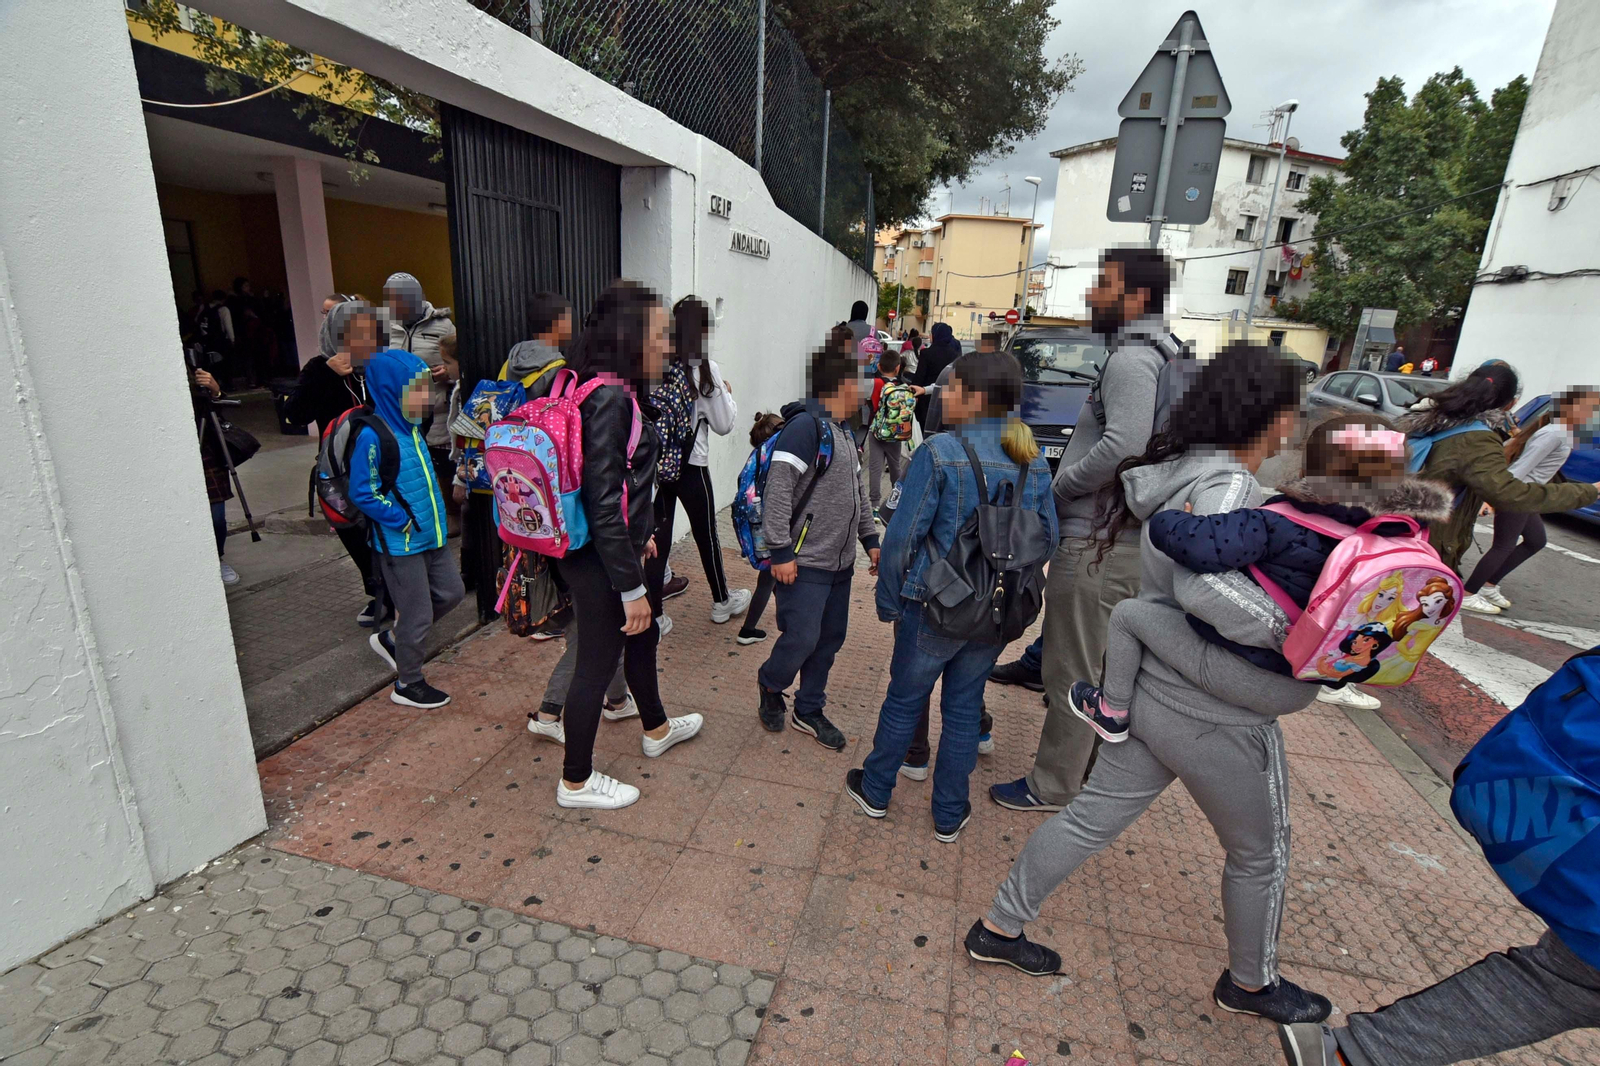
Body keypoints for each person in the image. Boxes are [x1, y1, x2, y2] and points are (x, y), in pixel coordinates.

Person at [964, 344, 1336, 1027]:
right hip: (1216, 713)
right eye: (1295, 409)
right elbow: (1204, 592)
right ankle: (1251, 984)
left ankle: (1000, 927)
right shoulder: (1228, 487)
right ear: (1268, 414)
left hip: (1156, 697)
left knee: (1087, 820)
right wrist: (1308, 640)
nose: (1297, 424)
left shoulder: (1183, 475)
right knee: (1261, 852)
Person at [1067, 412, 1452, 744]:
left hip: (1248, 672)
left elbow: (1201, 547)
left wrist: (1173, 518)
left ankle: (1111, 709)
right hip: (1314, 679)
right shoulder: (1402, 534)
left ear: (1310, 469)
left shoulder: (1277, 522)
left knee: (1129, 615)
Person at [990, 247, 1175, 814]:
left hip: (1099, 541)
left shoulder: (1133, 360)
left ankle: (1054, 785)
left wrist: (1061, 485)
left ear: (1135, 295)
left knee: (1073, 667)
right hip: (1127, 541)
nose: (1094, 294)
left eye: (1105, 284)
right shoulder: (1170, 354)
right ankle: (1087, 779)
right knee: (1104, 670)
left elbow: (1124, 445)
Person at [847, 350, 1057, 841]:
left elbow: (902, 537)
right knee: (964, 707)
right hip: (995, 609)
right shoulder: (1034, 461)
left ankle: (876, 790)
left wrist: (889, 599)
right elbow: (1049, 541)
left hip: (934, 604)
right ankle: (949, 812)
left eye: (952, 388)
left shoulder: (941, 451)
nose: (945, 395)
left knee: (904, 699)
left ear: (973, 397)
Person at [554, 280, 703, 810]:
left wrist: (640, 542)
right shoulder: (611, 397)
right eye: (661, 334)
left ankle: (657, 727)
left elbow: (614, 490)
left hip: (609, 548)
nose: (668, 344)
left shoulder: (587, 382)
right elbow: (601, 501)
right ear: (631, 335)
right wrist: (630, 586)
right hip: (599, 557)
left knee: (641, 641)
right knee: (595, 663)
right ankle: (575, 780)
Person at [755, 343, 881, 750]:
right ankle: (771, 683)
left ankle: (809, 707)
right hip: (803, 561)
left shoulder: (844, 431)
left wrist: (870, 541)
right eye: (859, 382)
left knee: (830, 639)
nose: (864, 392)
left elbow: (858, 494)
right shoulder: (806, 427)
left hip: (840, 563)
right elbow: (778, 490)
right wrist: (780, 551)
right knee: (802, 637)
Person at [346, 305, 465, 709]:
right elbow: (363, 493)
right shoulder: (373, 436)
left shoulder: (413, 430)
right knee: (416, 615)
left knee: (451, 593)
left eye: (423, 389)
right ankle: (407, 683)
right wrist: (402, 521)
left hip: (430, 535)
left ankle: (394, 640)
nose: (423, 396)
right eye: (413, 390)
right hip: (400, 544)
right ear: (390, 392)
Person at [1401, 363, 1598, 574]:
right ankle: (1477, 590)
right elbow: (1507, 493)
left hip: (1393, 525)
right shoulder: (1476, 439)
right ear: (1509, 404)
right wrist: (1591, 490)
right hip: (1425, 540)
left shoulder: (1422, 417)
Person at [285, 297, 392, 626]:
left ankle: (403, 590)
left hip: (387, 467)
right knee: (354, 533)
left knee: (389, 531)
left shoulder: (385, 364)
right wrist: (325, 374)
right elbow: (294, 415)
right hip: (339, 473)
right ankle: (378, 594)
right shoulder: (319, 368)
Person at [648, 296, 750, 624]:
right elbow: (724, 424)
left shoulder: (658, 361)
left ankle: (656, 615)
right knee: (706, 534)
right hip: (692, 464)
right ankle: (722, 601)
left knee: (659, 537)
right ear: (704, 330)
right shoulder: (704, 369)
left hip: (661, 464)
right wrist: (727, 392)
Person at [1461, 385, 1600, 614]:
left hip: (1530, 496)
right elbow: (1522, 467)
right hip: (1519, 494)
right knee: (1503, 546)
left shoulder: (1562, 432)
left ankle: (1488, 585)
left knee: (1536, 541)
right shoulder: (1554, 433)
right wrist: (1495, 498)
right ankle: (1468, 593)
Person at [384, 272, 459, 537]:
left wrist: (447, 374)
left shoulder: (443, 326)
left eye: (400, 301)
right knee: (412, 465)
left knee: (442, 465)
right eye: (390, 301)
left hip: (436, 409)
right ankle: (424, 513)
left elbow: (457, 359)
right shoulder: (388, 326)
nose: (394, 307)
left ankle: (452, 514)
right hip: (399, 412)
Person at [734, 411, 787, 646]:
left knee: (771, 578)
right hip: (771, 529)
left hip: (759, 529)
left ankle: (784, 617)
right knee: (767, 580)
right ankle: (747, 629)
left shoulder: (757, 461)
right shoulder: (775, 460)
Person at [190, 364, 238, 585]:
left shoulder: (195, 371)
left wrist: (215, 391)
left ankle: (217, 557)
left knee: (217, 517)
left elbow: (217, 413)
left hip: (207, 452)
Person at [864, 348, 922, 517]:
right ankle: (897, 501)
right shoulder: (905, 387)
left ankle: (874, 506)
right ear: (898, 368)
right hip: (896, 433)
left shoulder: (875, 384)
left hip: (876, 431)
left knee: (875, 468)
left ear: (879, 366)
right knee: (895, 465)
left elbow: (866, 399)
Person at [910, 322, 962, 427]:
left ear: (935, 335)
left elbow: (919, 378)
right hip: (947, 403)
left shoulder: (926, 354)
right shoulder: (955, 355)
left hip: (927, 402)